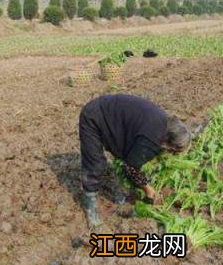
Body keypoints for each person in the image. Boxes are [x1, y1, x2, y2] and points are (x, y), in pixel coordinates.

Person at [78, 94, 191, 227]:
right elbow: (130, 167)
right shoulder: (151, 139)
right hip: (94, 116)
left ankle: (113, 188)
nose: (171, 155)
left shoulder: (165, 123)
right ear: (169, 144)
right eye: (173, 152)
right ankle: (90, 203)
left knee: (125, 153)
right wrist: (148, 190)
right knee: (95, 164)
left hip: (112, 112)